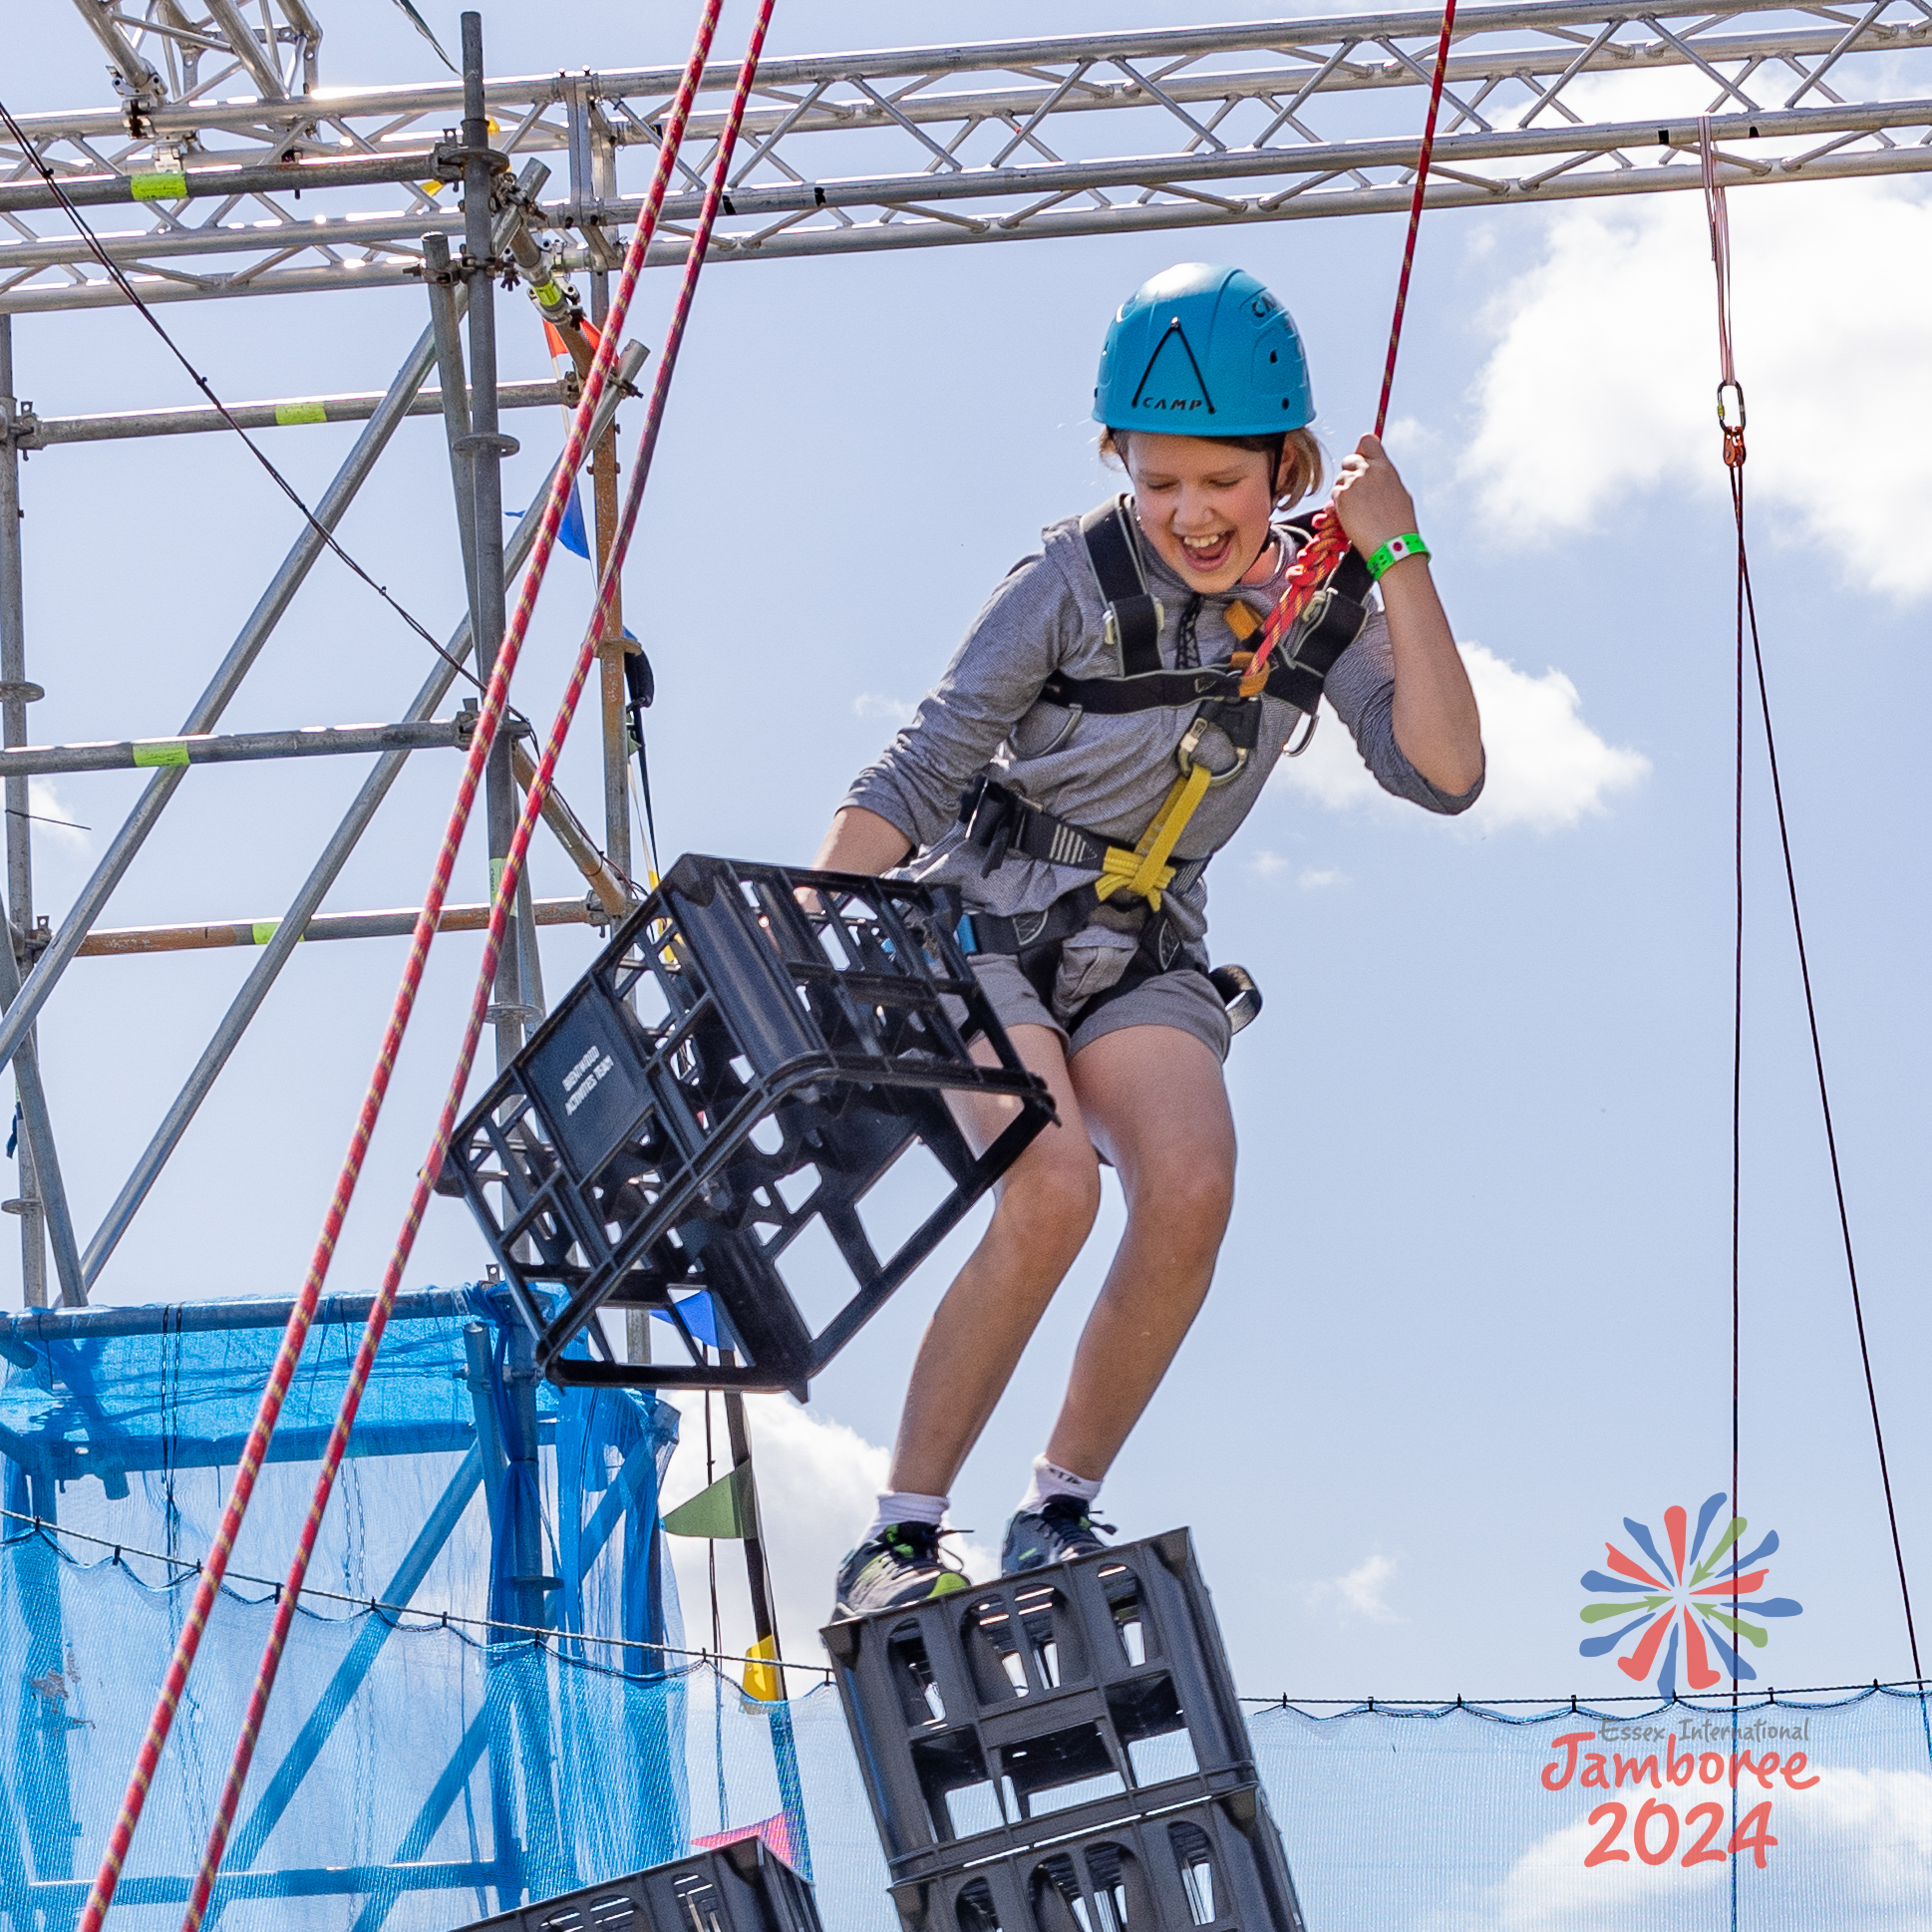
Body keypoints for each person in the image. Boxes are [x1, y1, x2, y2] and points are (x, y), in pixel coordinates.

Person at [817, 263, 1484, 1619]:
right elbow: (921, 764)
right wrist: (808, 925)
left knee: (1189, 1184)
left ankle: (1054, 1506)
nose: (1187, 513)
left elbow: (1444, 772)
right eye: (1156, 478)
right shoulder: (1064, 577)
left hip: (1144, 942)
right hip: (983, 921)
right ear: (1117, 460)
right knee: (1051, 1184)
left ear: (1285, 463)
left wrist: (1395, 545)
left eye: (1222, 484)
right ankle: (900, 1531)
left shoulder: (1320, 597)